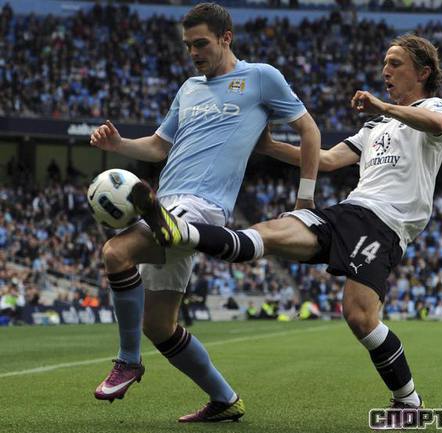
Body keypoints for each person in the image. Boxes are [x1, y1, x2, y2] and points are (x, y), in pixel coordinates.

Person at [131, 34, 442, 425]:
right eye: (385, 62)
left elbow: (436, 124)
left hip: (384, 224)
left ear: (423, 72)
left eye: (395, 63)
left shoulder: (434, 108)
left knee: (360, 317)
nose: (386, 70)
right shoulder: (374, 127)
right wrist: (268, 145)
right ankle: (180, 231)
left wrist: (384, 105)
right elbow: (328, 159)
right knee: (267, 234)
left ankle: (409, 403)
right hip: (348, 212)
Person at [89, 3, 320, 423]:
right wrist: (118, 145)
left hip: (203, 207)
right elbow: (159, 146)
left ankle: (128, 360)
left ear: (225, 38)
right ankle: (225, 399)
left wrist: (305, 199)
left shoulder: (261, 78)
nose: (193, 52)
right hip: (169, 203)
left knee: (115, 252)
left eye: (201, 44)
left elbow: (310, 131)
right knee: (159, 326)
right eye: (188, 45)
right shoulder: (189, 88)